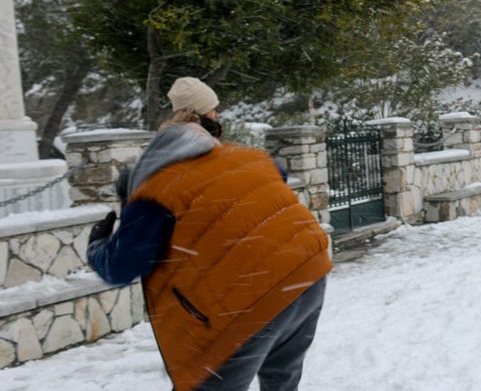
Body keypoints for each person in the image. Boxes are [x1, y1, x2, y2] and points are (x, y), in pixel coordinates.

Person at [87, 77, 332, 390]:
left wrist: (98, 244)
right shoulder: (250, 159)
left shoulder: (157, 186)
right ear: (209, 122)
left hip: (246, 301)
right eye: (216, 114)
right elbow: (275, 175)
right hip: (307, 275)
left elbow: (122, 266)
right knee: (281, 382)